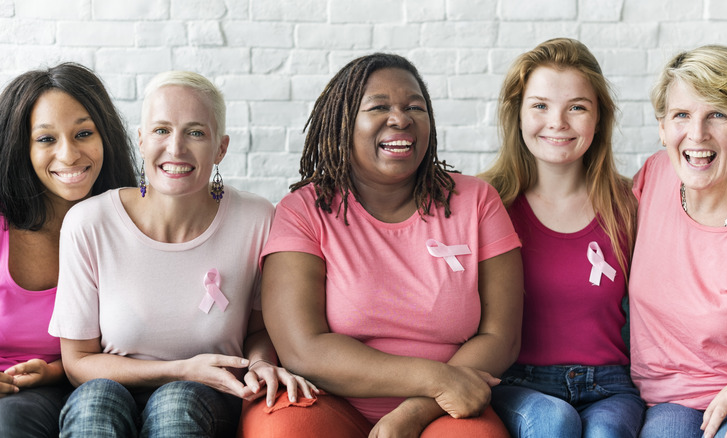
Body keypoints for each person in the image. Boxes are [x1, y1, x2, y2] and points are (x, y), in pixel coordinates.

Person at [237, 53, 523, 438]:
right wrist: (436, 379)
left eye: (414, 107)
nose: (400, 119)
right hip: (328, 399)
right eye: (379, 107)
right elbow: (303, 348)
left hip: (445, 408)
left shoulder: (477, 202)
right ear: (343, 125)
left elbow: (501, 337)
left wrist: (415, 411)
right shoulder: (304, 210)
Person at [49, 70, 315, 437]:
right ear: (141, 141)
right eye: (161, 130)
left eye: (195, 132)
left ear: (221, 147)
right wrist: (179, 368)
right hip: (108, 391)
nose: (176, 148)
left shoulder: (257, 219)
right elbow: (77, 362)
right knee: (96, 400)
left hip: (208, 398)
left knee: (176, 402)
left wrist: (260, 362)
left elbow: (258, 330)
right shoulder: (88, 222)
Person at [479, 38, 644, 437]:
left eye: (577, 107)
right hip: (519, 383)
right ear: (516, 115)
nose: (558, 122)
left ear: (598, 118)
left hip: (611, 385)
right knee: (554, 423)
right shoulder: (486, 203)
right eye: (540, 105)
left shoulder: (632, 203)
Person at [630, 45, 727, 438]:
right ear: (663, 127)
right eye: (682, 115)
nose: (697, 135)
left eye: (717, 114)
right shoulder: (656, 176)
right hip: (669, 402)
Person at [0, 62, 136, 437]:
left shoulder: (134, 220)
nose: (69, 154)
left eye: (83, 133)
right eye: (46, 139)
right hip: (12, 393)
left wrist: (55, 370)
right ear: (20, 146)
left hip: (103, 385)